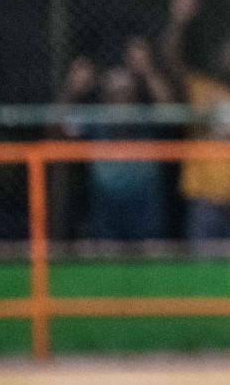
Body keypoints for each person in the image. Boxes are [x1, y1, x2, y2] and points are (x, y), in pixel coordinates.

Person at [159, 0, 230, 248]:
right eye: (229, 54)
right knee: (204, 283)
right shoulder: (201, 88)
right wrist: (178, 22)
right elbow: (170, 62)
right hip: (205, 201)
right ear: (218, 58)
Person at [57, 38, 174, 243]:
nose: (121, 103)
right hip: (106, 229)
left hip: (148, 229)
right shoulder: (95, 125)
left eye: (127, 95)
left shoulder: (146, 122)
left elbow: (171, 113)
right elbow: (59, 128)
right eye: (114, 96)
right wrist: (72, 89)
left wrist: (147, 71)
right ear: (104, 99)